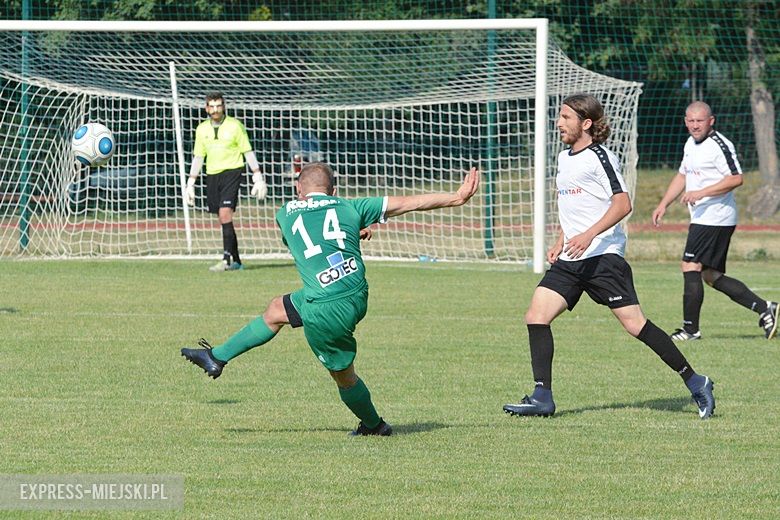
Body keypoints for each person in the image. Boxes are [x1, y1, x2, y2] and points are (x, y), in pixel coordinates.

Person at [182, 162, 480, 436]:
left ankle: (375, 426)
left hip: (326, 308)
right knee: (277, 309)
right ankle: (216, 356)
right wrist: (456, 197)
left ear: (299, 189)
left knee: (344, 377)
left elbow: (303, 237)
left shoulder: (285, 213)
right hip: (355, 292)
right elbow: (407, 203)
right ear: (334, 190)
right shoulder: (351, 207)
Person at [503, 93, 716, 420]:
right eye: (559, 117)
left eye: (565, 118)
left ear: (586, 123)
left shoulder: (602, 157)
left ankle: (695, 380)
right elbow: (575, 206)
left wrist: (589, 235)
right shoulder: (564, 158)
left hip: (603, 258)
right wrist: (562, 239)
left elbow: (622, 204)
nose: (559, 123)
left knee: (635, 326)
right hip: (572, 260)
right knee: (536, 316)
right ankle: (542, 396)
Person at [652, 101, 778, 341]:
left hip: (716, 217)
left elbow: (736, 178)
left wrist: (700, 193)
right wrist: (664, 203)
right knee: (711, 276)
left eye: (700, 121)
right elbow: (682, 175)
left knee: (690, 266)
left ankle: (690, 330)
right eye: (690, 120)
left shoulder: (720, 144)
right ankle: (765, 308)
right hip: (704, 218)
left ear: (711, 120)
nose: (694, 125)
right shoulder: (690, 143)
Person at [185, 92, 268, 272]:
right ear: (206, 108)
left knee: (225, 213)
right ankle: (236, 260)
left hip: (232, 171)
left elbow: (247, 151)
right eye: (211, 106)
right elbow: (198, 157)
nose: (215, 110)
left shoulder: (235, 126)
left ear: (224, 106)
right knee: (223, 218)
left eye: (218, 105)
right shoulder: (201, 129)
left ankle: (226, 259)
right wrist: (190, 183)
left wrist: (258, 176)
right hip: (212, 175)